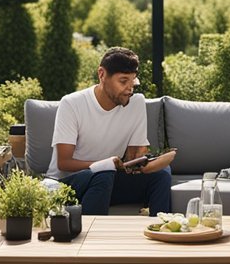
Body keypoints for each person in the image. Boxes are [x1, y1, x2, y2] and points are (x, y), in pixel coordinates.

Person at [44, 47, 173, 216]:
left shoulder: (136, 103)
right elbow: (64, 163)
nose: (130, 88)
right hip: (67, 183)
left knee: (161, 175)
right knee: (104, 173)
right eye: (123, 81)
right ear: (102, 74)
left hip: (109, 180)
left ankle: (160, 230)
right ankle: (92, 238)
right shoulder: (71, 104)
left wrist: (148, 163)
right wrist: (106, 164)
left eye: (133, 81)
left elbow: (135, 157)